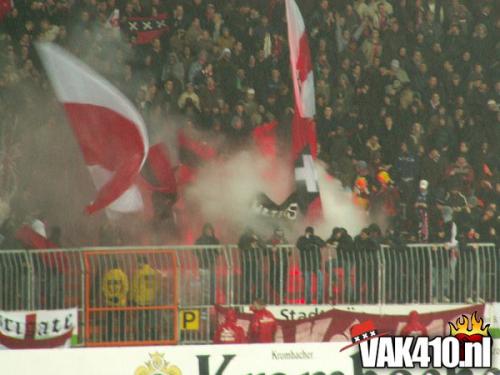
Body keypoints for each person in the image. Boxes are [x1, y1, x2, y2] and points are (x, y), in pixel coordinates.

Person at [131, 256, 159, 340]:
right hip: (151, 299)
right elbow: (157, 286)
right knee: (152, 318)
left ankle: (141, 336)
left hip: (141, 300)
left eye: (138, 263)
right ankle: (154, 335)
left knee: (140, 319)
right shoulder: (153, 272)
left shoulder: (139, 273)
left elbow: (134, 287)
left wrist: (132, 298)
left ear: (141, 262)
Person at [296, 227, 325, 304]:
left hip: (316, 263)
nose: (308, 234)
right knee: (307, 283)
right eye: (307, 232)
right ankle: (308, 299)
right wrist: (309, 243)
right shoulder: (302, 238)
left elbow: (322, 244)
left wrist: (312, 240)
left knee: (320, 281)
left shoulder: (316, 238)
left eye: (310, 232)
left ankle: (320, 299)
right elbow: (299, 245)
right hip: (306, 264)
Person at [102, 260, 129, 341]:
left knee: (109, 322)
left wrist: (110, 297)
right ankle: (122, 338)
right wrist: (118, 298)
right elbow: (126, 288)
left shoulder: (107, 275)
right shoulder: (122, 274)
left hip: (110, 303)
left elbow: (104, 288)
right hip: (121, 303)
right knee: (121, 322)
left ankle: (109, 338)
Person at [195, 223, 220, 304]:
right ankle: (204, 301)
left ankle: (212, 301)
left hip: (212, 265)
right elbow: (194, 251)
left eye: (209, 230)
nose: (208, 231)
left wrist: (216, 254)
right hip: (203, 265)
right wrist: (199, 254)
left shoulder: (215, 240)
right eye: (207, 230)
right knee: (204, 285)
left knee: (212, 284)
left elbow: (219, 252)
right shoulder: (200, 240)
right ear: (204, 231)